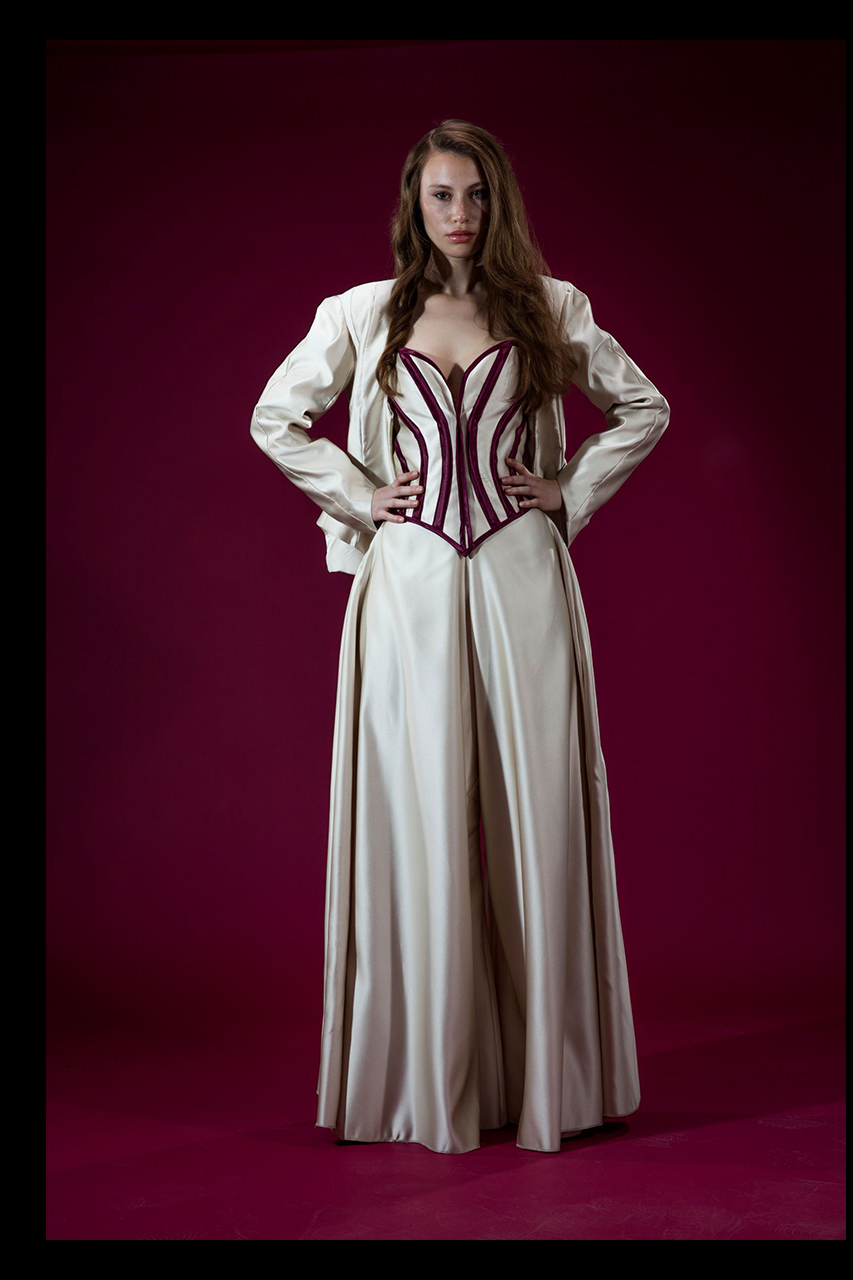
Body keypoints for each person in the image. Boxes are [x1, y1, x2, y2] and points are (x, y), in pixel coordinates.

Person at [250, 119, 669, 1154]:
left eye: (476, 195)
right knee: (420, 812)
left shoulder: (548, 304)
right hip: (409, 583)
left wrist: (565, 493)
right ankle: (422, 1082)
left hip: (525, 572)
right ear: (414, 203)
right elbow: (275, 415)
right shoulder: (361, 314)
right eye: (442, 195)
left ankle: (550, 1085)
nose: (461, 214)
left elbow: (643, 407)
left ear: (499, 201)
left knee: (538, 812)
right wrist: (361, 494)